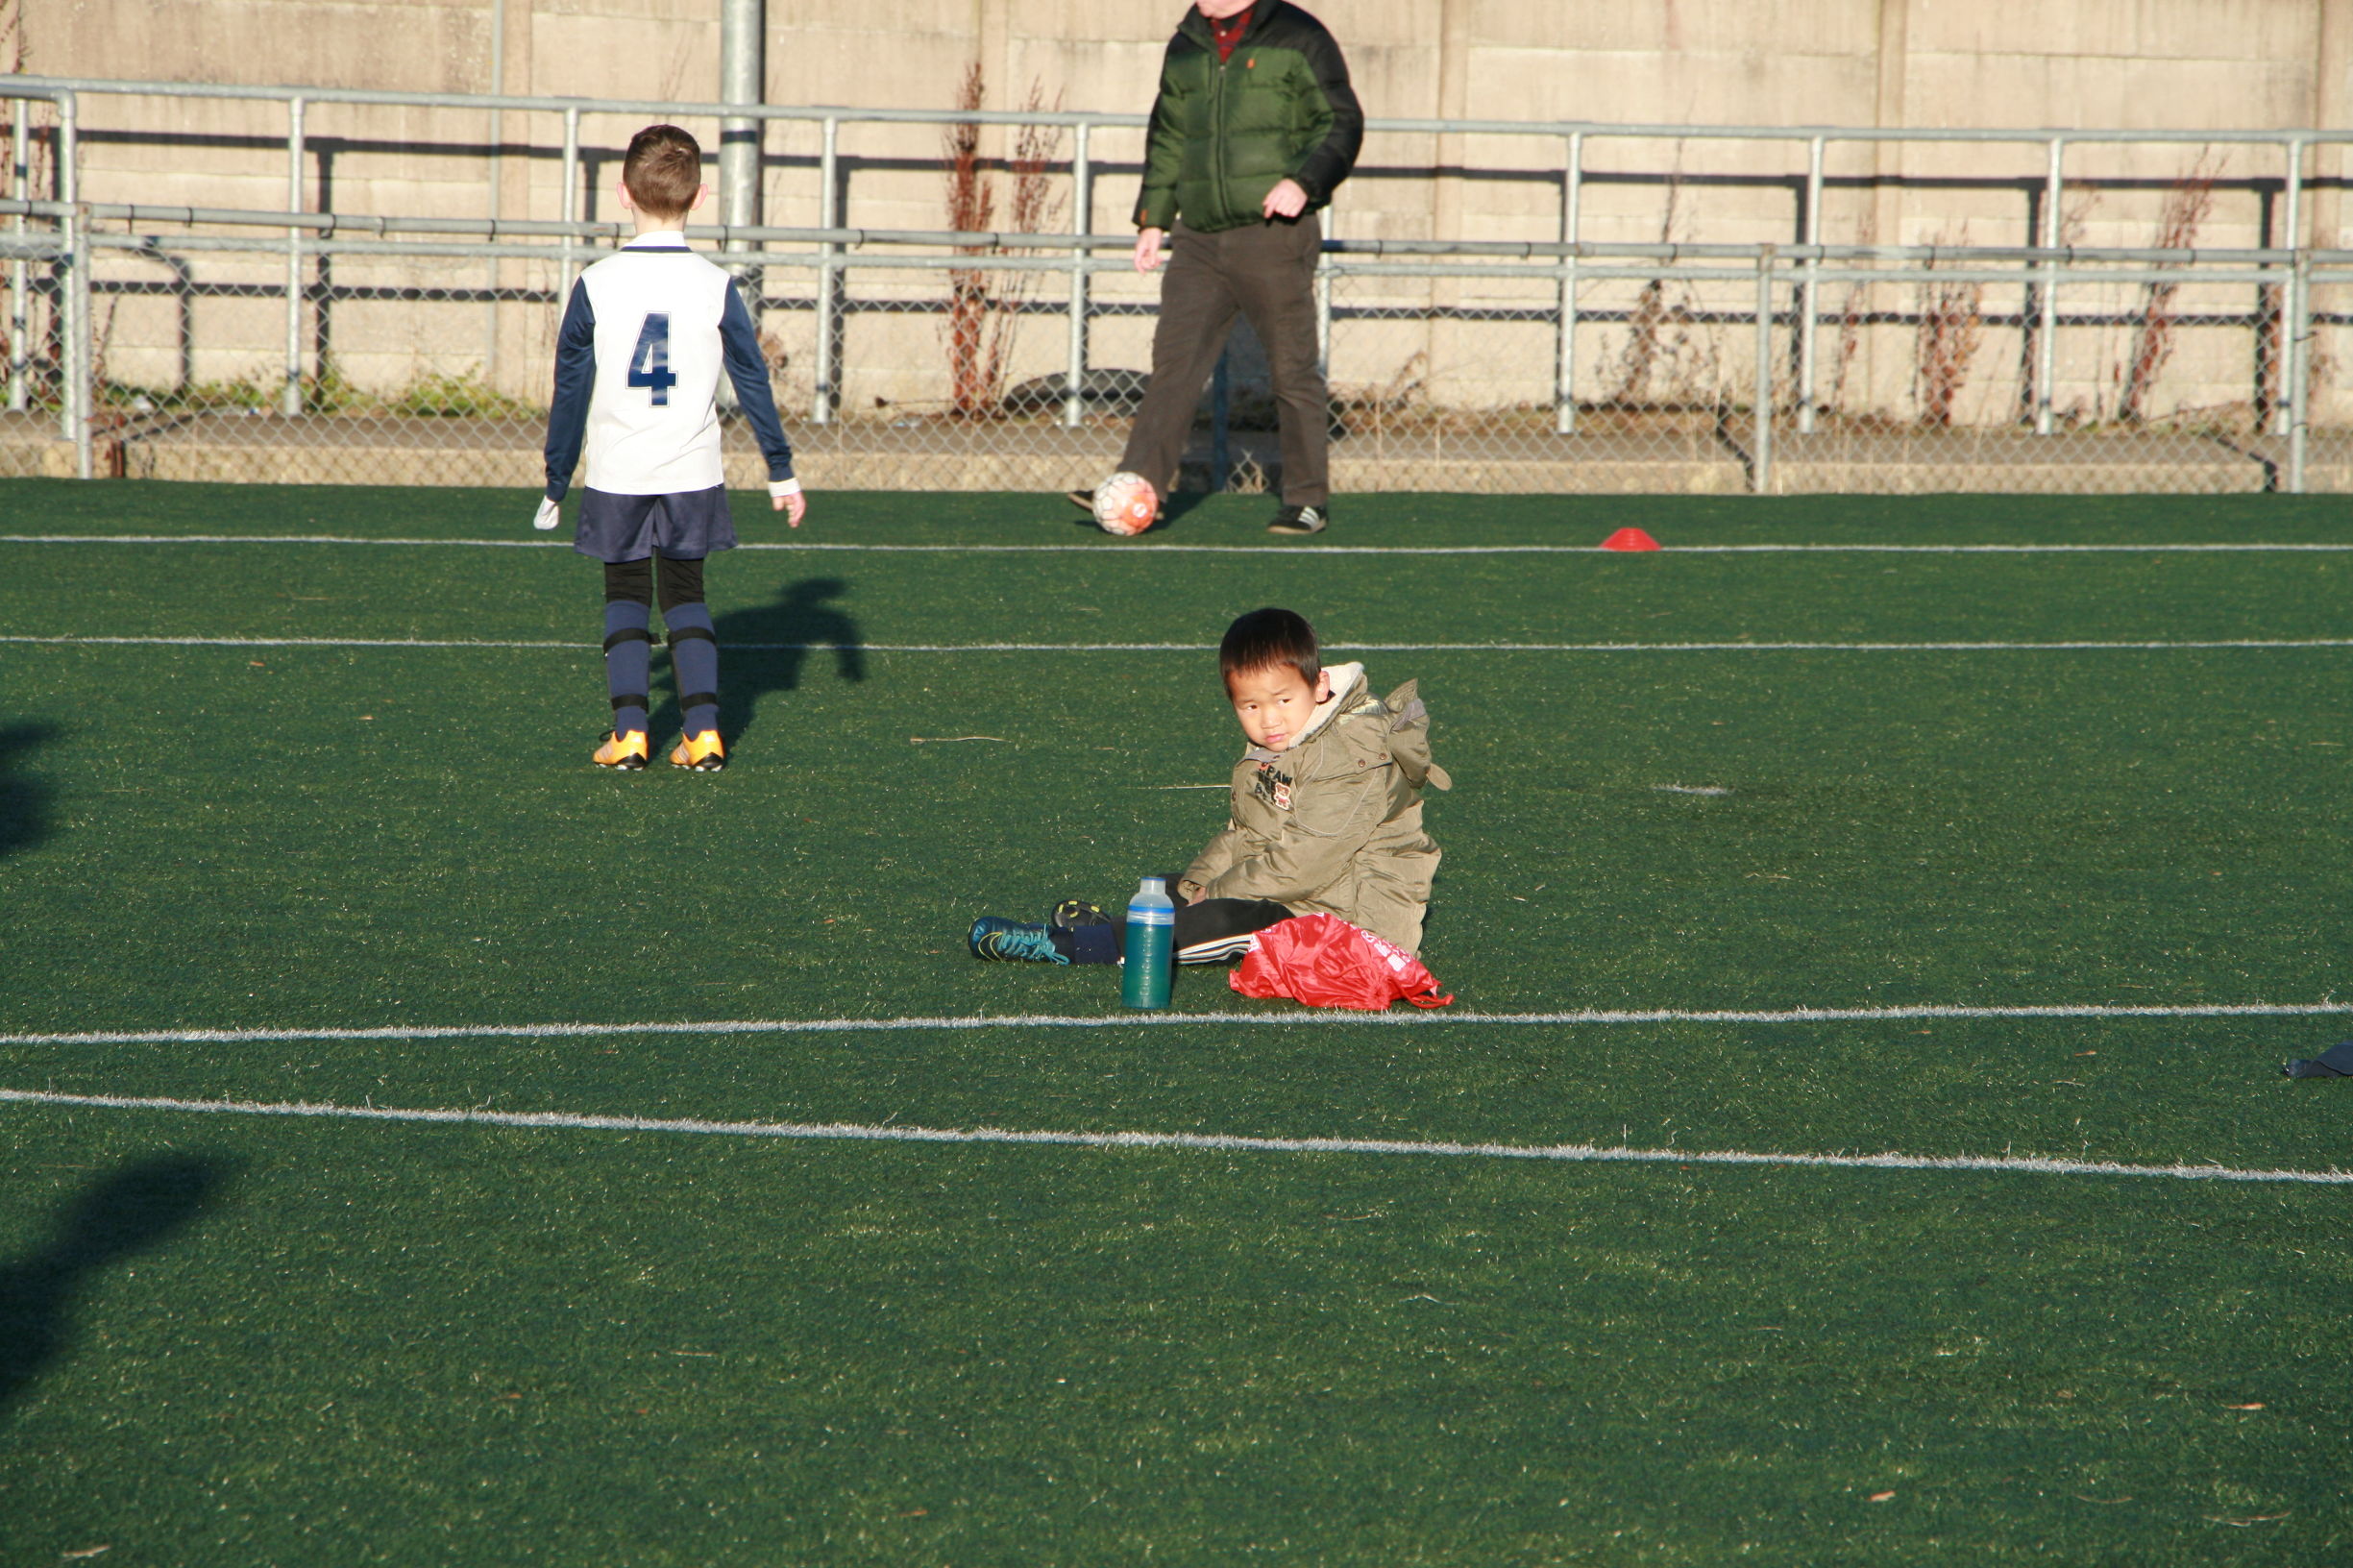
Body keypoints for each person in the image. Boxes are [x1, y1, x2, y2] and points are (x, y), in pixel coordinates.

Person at [537, 123, 806, 772]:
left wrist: (555, 479)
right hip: (691, 469)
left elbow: (569, 386)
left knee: (625, 592)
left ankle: (630, 733)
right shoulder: (715, 284)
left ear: (624, 194)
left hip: (618, 470)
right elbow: (750, 378)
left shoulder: (596, 282)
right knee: (686, 592)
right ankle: (705, 733)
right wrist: (779, 470)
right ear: (700, 195)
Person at [968, 607, 1449, 966]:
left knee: (1219, 919)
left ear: (1319, 685)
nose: (1269, 719)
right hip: (1306, 889)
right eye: (1251, 707)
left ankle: (1070, 946)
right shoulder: (1287, 740)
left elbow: (1302, 868)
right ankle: (1128, 925)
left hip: (1353, 921)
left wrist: (1217, 892)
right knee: (1170, 886)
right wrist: (1202, 880)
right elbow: (1248, 832)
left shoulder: (1349, 757)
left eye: (1282, 699)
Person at [1072, 0, 1362, 536]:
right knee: (1174, 369)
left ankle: (1306, 501)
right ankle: (1139, 488)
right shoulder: (1186, 45)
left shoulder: (1298, 36)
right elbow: (1168, 136)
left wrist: (1303, 182)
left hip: (1273, 234)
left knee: (1291, 371)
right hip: (1198, 238)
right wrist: (1153, 220)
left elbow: (1341, 122)